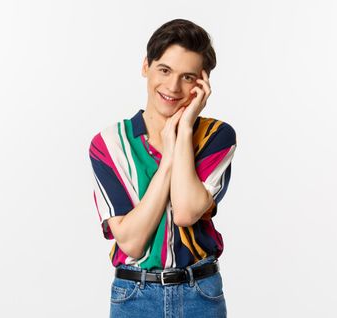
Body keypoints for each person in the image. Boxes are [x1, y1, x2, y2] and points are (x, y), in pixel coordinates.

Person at [88, 18, 237, 317]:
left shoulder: (216, 137)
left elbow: (185, 211)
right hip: (135, 296)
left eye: (187, 77)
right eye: (164, 70)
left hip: (201, 293)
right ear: (146, 66)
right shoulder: (110, 144)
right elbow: (131, 241)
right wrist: (169, 156)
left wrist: (183, 131)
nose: (172, 86)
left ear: (202, 83)